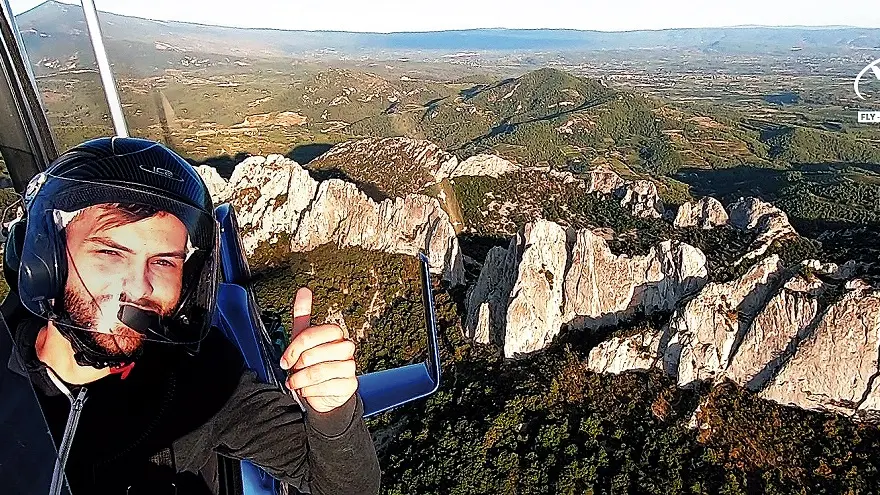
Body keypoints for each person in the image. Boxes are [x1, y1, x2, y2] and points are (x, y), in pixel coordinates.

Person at [0, 137, 381, 494]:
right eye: (110, 253)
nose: (140, 287)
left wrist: (333, 412)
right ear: (45, 261)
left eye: (164, 262)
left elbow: (345, 488)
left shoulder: (201, 377)